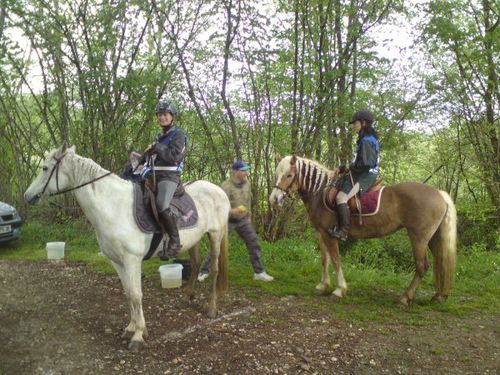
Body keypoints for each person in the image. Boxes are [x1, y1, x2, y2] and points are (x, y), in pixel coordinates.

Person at [198, 161, 274, 282]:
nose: (246, 173)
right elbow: (218, 207)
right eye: (243, 170)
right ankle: (204, 272)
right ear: (235, 172)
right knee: (216, 246)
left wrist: (248, 215)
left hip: (244, 220)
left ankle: (259, 273)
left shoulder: (247, 184)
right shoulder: (225, 187)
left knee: (254, 243)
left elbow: (248, 200)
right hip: (227, 221)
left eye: (246, 170)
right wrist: (232, 211)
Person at [139, 100, 188, 260]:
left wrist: (157, 147)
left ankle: (175, 241)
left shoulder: (179, 135)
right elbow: (151, 156)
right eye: (160, 115)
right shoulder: (159, 136)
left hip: (169, 176)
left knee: (162, 204)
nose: (162, 117)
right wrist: (139, 160)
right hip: (153, 174)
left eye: (165, 114)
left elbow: (174, 157)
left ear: (172, 117)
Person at [327, 109, 379, 240]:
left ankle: (343, 231)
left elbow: (366, 164)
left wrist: (348, 167)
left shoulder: (367, 140)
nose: (353, 126)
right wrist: (344, 168)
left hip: (366, 175)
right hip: (361, 173)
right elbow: (358, 162)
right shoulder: (366, 139)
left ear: (363, 123)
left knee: (341, 198)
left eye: (355, 123)